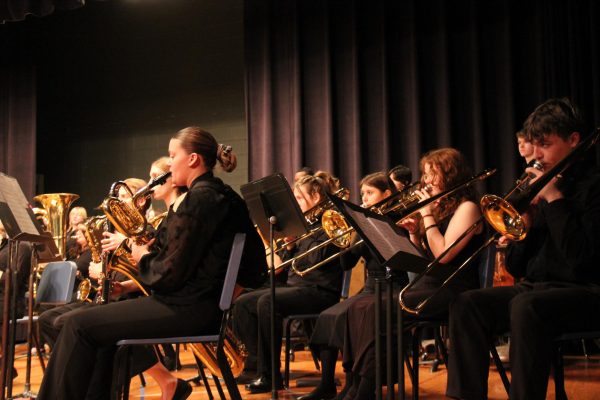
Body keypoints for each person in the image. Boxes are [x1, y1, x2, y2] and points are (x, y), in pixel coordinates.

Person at [37, 126, 267, 400]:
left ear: (192, 159)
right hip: (196, 306)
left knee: (78, 326)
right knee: (87, 327)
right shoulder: (222, 196)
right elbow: (254, 264)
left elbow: (166, 274)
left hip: (186, 309)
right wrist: (224, 298)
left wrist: (139, 254)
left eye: (173, 154)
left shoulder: (200, 200)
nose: (169, 162)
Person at [446, 98, 600, 400]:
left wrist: (554, 200)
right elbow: (517, 268)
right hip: (537, 289)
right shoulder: (543, 188)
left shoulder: (593, 187)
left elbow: (583, 262)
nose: (536, 155)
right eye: (533, 144)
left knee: (526, 306)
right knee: (466, 304)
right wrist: (526, 226)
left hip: (586, 291)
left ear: (573, 140)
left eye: (544, 144)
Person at [341, 148, 484, 400]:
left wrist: (425, 214)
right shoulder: (438, 209)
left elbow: (443, 254)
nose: (426, 180)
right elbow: (421, 263)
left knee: (379, 309)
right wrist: (414, 235)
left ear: (451, 175)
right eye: (425, 174)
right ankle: (354, 383)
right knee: (359, 306)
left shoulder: (468, 208)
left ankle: (366, 389)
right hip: (427, 284)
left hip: (453, 289)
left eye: (432, 174)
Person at [298, 171, 409, 400]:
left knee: (360, 315)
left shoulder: (398, 219)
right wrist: (344, 240)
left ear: (387, 194)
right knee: (330, 316)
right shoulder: (364, 222)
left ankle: (361, 386)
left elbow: (396, 259)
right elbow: (347, 264)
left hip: (393, 286)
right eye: (363, 194)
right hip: (370, 287)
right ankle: (330, 383)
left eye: (370, 193)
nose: (364, 199)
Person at [233, 171, 344, 394]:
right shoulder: (303, 225)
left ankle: (271, 376)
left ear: (316, 196)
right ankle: (257, 366)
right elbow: (284, 267)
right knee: (243, 302)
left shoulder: (329, 222)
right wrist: (291, 247)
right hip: (297, 287)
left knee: (267, 301)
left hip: (320, 290)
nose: (295, 203)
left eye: (300, 198)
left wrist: (294, 247)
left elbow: (313, 261)